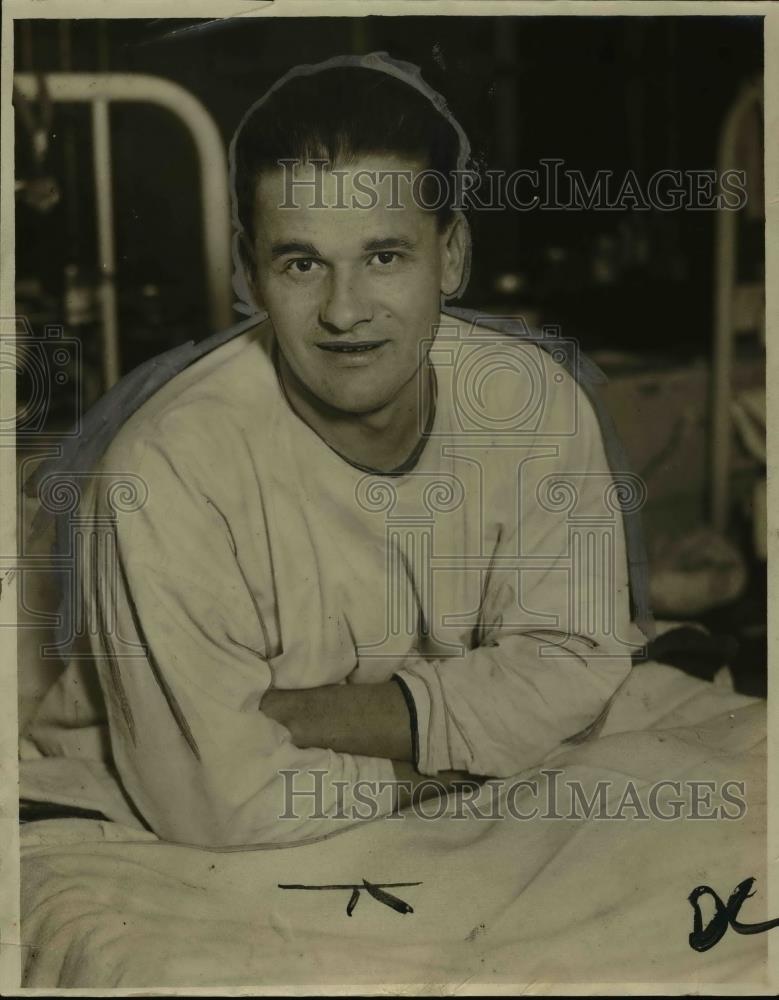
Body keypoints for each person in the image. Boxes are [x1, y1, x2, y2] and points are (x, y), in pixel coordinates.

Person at [21, 53, 649, 847]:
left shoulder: (531, 401)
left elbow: (578, 664)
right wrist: (460, 758)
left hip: (336, 793)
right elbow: (216, 801)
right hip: (153, 813)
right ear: (250, 276)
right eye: (302, 263)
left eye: (383, 256)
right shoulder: (166, 471)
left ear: (450, 256)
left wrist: (290, 717)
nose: (344, 311)